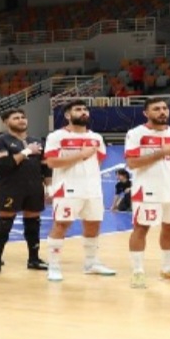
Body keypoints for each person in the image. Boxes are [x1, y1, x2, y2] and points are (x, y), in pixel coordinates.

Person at [43, 100, 116, 281]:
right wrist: (81, 155)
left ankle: (91, 263)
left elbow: (98, 161)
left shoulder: (96, 137)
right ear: (68, 115)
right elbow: (51, 162)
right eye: (78, 109)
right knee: (61, 225)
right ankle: (54, 265)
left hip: (92, 189)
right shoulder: (57, 136)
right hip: (67, 188)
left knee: (93, 225)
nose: (83, 112)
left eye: (85, 109)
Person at [124, 98, 170, 288]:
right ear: (146, 113)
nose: (162, 112)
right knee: (141, 228)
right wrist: (161, 152)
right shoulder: (136, 134)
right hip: (147, 190)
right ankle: (138, 272)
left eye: (164, 108)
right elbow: (132, 163)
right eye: (156, 109)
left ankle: (167, 269)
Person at [0, 108, 51, 276]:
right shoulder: (0, 140)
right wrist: (27, 151)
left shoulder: (37, 140)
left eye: (23, 117)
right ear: (6, 122)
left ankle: (34, 259)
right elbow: (5, 164)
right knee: (4, 223)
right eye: (16, 118)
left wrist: (49, 187)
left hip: (34, 187)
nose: (21, 120)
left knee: (33, 223)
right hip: (11, 187)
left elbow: (45, 166)